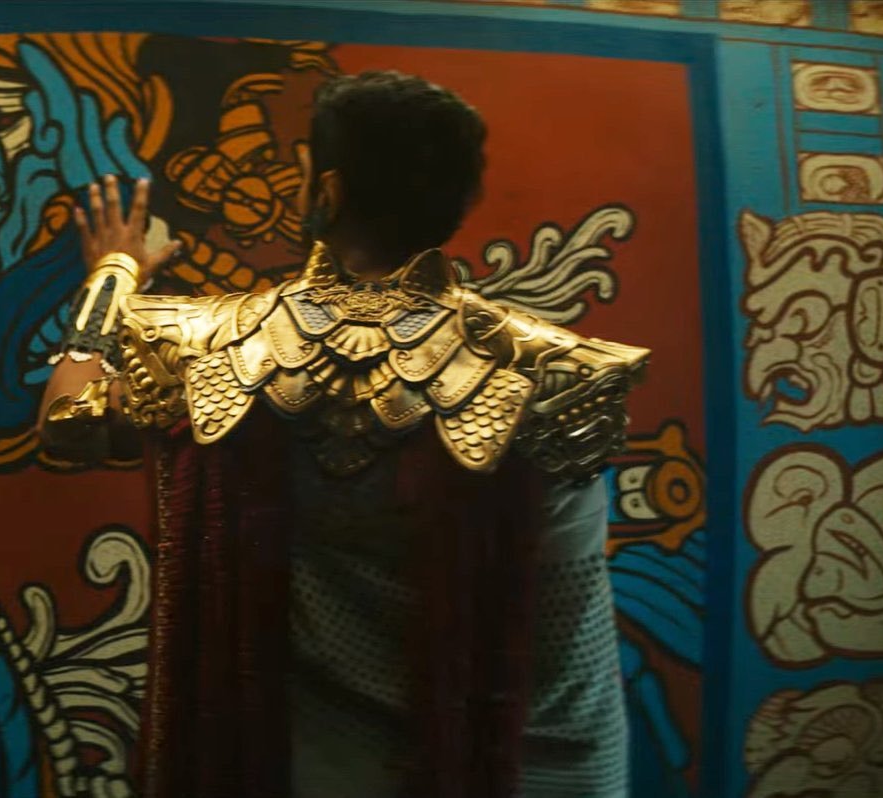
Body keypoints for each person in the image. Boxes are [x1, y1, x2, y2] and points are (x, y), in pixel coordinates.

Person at [36, 70, 647, 798]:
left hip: (271, 769)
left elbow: (69, 421)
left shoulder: (205, 344)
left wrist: (114, 271)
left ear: (324, 190)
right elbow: (566, 650)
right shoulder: (546, 375)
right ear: (460, 203)